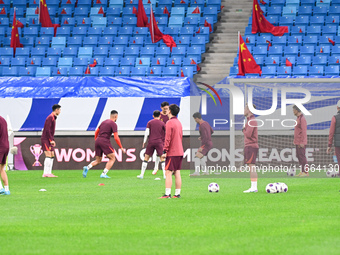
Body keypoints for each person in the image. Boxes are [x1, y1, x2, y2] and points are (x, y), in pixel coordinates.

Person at [82, 110, 126, 178]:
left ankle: (87, 167)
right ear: (116, 116)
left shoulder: (104, 122)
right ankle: (103, 174)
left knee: (98, 160)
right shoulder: (113, 124)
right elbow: (116, 137)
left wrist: (97, 140)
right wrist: (121, 147)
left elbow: (96, 132)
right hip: (104, 141)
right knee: (112, 158)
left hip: (98, 140)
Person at [159, 104, 183, 199]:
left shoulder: (169, 123)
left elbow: (167, 138)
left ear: (169, 111)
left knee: (168, 172)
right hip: (179, 150)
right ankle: (177, 194)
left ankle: (167, 194)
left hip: (172, 151)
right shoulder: (179, 123)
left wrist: (165, 151)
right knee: (177, 172)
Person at [137, 110, 166, 179]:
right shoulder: (162, 123)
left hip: (151, 142)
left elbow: (147, 132)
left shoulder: (150, 122)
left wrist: (144, 141)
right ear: (160, 116)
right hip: (159, 142)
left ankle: (141, 174)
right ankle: (165, 175)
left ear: (153, 116)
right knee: (162, 158)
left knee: (146, 157)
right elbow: (166, 132)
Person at [190, 112, 214, 176]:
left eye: (195, 119)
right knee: (202, 157)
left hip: (206, 144)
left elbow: (206, 136)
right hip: (209, 142)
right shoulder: (206, 123)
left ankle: (196, 173)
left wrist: (202, 146)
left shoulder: (202, 125)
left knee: (197, 156)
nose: (195, 121)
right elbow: (211, 131)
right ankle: (205, 172)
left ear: (197, 118)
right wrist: (202, 137)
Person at [41, 104, 61, 178]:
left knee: (52, 155)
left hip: (49, 139)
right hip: (46, 139)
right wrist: (50, 140)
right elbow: (47, 130)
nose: (60, 112)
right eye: (59, 110)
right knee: (48, 155)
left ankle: (49, 172)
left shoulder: (53, 117)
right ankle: (45, 173)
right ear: (56, 110)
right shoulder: (50, 117)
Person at [243, 104, 259, 193]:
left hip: (251, 146)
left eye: (245, 108)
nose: (244, 110)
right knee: (250, 166)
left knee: (252, 166)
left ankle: (254, 187)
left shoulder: (252, 121)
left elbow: (248, 134)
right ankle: (253, 186)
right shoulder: (249, 121)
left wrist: (243, 129)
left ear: (249, 110)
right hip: (249, 146)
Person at [293, 105, 308, 177]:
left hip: (301, 142)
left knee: (302, 156)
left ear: (297, 110)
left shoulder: (302, 119)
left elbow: (304, 131)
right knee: (299, 156)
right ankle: (302, 171)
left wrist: (302, 142)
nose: (293, 111)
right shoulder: (298, 118)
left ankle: (305, 172)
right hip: (297, 141)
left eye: (294, 110)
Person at [327, 100, 340, 179]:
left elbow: (331, 132)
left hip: (338, 143)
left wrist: (329, 145)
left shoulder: (334, 117)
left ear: (337, 107)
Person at [0, 115, 10, 195]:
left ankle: (0, 188)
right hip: (6, 145)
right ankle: (6, 190)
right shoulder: (3, 120)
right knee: (1, 169)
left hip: (0, 146)